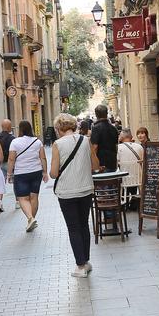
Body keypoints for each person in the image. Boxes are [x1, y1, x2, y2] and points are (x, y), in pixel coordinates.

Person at [50, 113, 100, 277]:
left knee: (73, 228)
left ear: (59, 128)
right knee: (84, 225)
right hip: (85, 189)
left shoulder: (57, 144)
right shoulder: (85, 140)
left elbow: (53, 173)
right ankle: (86, 261)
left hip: (66, 192)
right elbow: (95, 165)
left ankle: (80, 266)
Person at [6, 120, 46, 232]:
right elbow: (42, 157)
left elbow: (11, 159)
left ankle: (30, 218)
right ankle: (32, 220)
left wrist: (9, 173)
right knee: (34, 197)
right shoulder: (37, 141)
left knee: (22, 198)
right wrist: (45, 172)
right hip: (36, 172)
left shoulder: (15, 142)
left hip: (21, 173)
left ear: (20, 129)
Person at [117, 128, 144, 209]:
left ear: (122, 136)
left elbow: (117, 163)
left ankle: (124, 202)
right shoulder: (139, 147)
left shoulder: (119, 148)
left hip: (125, 180)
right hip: (138, 178)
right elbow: (143, 161)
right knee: (133, 176)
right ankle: (134, 202)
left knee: (122, 176)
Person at [90, 104, 119, 173]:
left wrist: (92, 163)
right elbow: (116, 146)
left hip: (101, 164)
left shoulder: (96, 128)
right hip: (112, 162)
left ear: (96, 115)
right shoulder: (113, 128)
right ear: (106, 113)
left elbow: (95, 147)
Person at [0, 119, 14, 212]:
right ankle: (18, 201)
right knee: (15, 182)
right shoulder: (12, 138)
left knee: (0, 183)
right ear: (9, 127)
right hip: (9, 163)